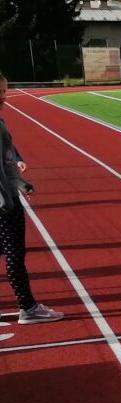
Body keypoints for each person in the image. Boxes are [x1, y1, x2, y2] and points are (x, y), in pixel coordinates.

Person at [0, 73, 62, 323]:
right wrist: (10, 193)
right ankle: (28, 307)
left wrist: (20, 181)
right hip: (5, 203)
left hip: (7, 194)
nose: (4, 99)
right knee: (14, 253)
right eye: (0, 94)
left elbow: (7, 158)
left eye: (4, 93)